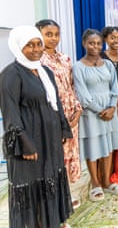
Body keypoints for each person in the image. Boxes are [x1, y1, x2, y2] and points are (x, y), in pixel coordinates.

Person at [0, 26, 73, 228]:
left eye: (38, 43)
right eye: (29, 45)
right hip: (29, 142)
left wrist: (63, 128)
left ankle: (51, 222)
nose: (36, 49)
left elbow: (55, 102)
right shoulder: (10, 75)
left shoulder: (45, 71)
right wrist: (25, 144)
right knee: (31, 184)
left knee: (49, 178)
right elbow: (10, 113)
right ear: (17, 47)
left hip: (49, 139)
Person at [36, 19, 82, 209]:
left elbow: (72, 86)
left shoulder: (65, 58)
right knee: (56, 156)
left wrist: (78, 110)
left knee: (71, 155)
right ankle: (53, 199)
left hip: (72, 114)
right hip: (53, 116)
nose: (53, 38)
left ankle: (67, 195)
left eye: (56, 34)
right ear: (39, 34)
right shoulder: (36, 60)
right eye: (49, 34)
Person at [73, 29, 118, 202]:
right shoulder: (78, 67)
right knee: (93, 149)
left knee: (108, 147)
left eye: (98, 43)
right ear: (84, 44)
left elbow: (115, 88)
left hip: (110, 112)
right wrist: (100, 111)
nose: (95, 46)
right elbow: (82, 95)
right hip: (92, 115)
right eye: (91, 43)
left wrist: (111, 108)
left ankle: (107, 181)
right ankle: (95, 183)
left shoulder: (108, 64)